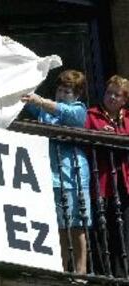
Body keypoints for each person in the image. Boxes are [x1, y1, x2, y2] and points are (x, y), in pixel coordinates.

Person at [21, 70, 91, 274]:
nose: (61, 94)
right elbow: (25, 100)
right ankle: (60, 269)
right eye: (60, 90)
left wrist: (40, 101)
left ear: (76, 95)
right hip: (49, 176)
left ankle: (80, 272)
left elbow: (68, 115)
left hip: (73, 176)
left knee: (76, 227)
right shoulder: (45, 111)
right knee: (58, 227)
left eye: (67, 91)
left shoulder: (79, 109)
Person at [85, 75, 129, 277]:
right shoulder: (91, 115)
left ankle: (124, 273)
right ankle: (107, 273)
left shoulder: (127, 119)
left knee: (124, 232)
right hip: (102, 183)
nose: (111, 97)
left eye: (116, 94)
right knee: (104, 231)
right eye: (108, 93)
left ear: (124, 99)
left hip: (124, 184)